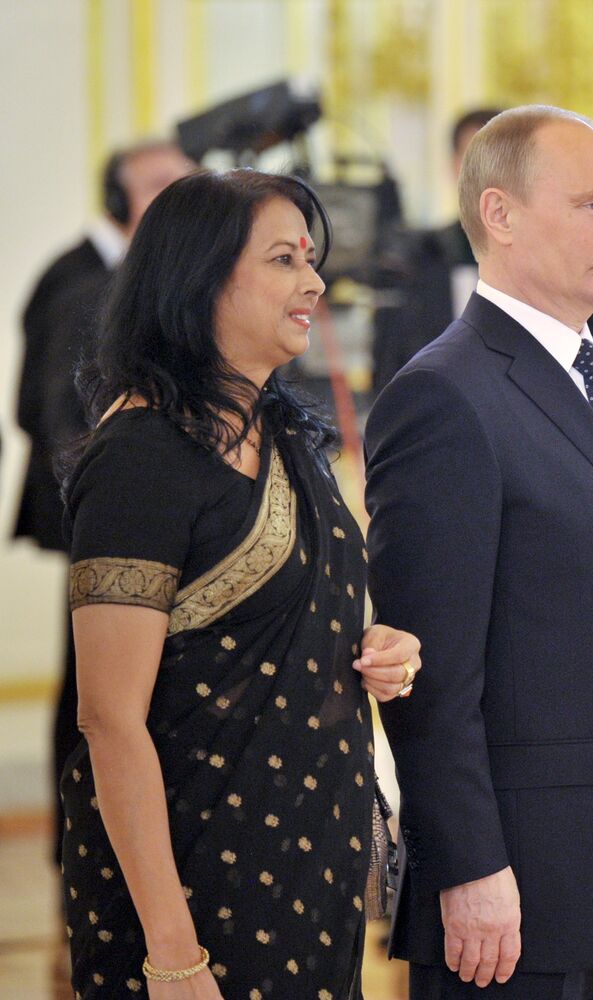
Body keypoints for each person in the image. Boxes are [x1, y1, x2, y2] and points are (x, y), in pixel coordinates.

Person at [365, 105, 593, 1000]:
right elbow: (427, 673)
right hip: (514, 895)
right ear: (501, 214)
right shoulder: (442, 396)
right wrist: (468, 866)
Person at [60, 168, 422, 999]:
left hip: (311, 870)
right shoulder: (141, 457)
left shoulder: (288, 436)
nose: (315, 280)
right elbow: (109, 720)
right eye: (284, 259)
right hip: (189, 894)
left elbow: (302, 618)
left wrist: (378, 649)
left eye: (312, 258)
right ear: (202, 277)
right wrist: (174, 953)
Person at [12, 140, 195, 865]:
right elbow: (58, 413)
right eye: (161, 187)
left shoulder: (117, 278)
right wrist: (119, 502)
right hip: (101, 515)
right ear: (119, 203)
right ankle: (86, 837)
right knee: (99, 692)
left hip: (110, 511)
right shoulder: (87, 284)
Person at [372, 108, 593, 396]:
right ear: (454, 166)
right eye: (475, 161)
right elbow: (390, 368)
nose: (488, 176)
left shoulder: (576, 271)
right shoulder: (418, 261)